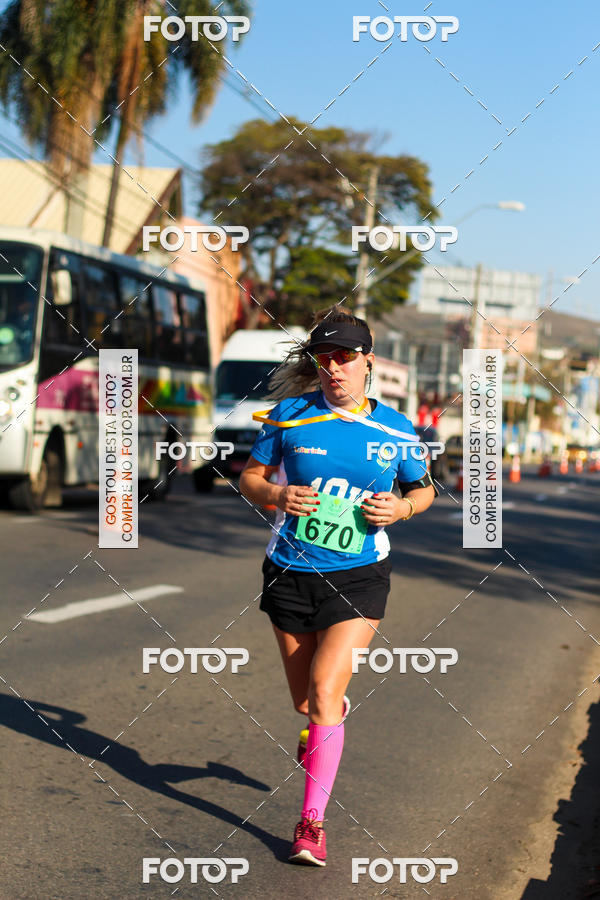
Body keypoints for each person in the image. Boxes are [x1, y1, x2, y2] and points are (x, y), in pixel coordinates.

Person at [239, 305, 436, 866]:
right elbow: (251, 478)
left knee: (324, 690)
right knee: (307, 701)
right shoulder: (290, 417)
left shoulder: (397, 430)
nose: (334, 368)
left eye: (345, 357)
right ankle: (323, 725)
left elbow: (424, 490)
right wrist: (276, 496)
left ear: (368, 362)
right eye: (324, 358)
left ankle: (311, 825)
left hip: (359, 575)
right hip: (289, 571)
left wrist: (400, 508)